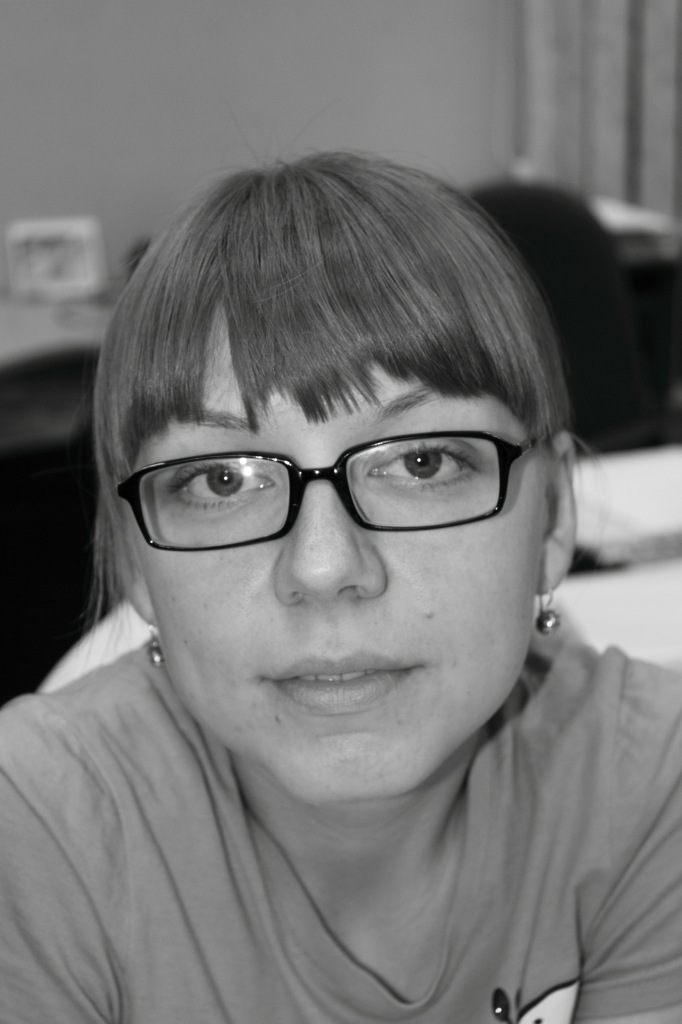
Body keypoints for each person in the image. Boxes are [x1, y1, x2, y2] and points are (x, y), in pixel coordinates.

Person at [1, 152, 681, 1024]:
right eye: (223, 480)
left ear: (551, 518)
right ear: (134, 558)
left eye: (422, 463)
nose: (323, 568)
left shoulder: (645, 784)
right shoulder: (37, 828)